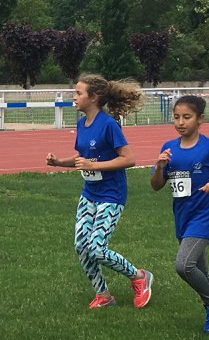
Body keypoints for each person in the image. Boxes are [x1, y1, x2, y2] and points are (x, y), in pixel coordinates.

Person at [46, 74, 153, 309]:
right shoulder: (81, 124)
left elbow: (129, 159)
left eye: (78, 93)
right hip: (89, 194)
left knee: (97, 248)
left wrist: (95, 166)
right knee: (81, 246)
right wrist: (59, 162)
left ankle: (139, 277)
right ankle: (103, 295)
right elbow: (81, 158)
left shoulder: (108, 124)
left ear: (93, 98)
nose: (73, 97)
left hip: (111, 195)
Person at [151, 95, 209, 334]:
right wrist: (160, 167)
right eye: (176, 117)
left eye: (187, 117)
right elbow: (156, 185)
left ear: (200, 119)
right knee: (200, 271)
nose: (180, 122)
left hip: (204, 217)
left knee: (184, 265)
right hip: (182, 216)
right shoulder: (168, 148)